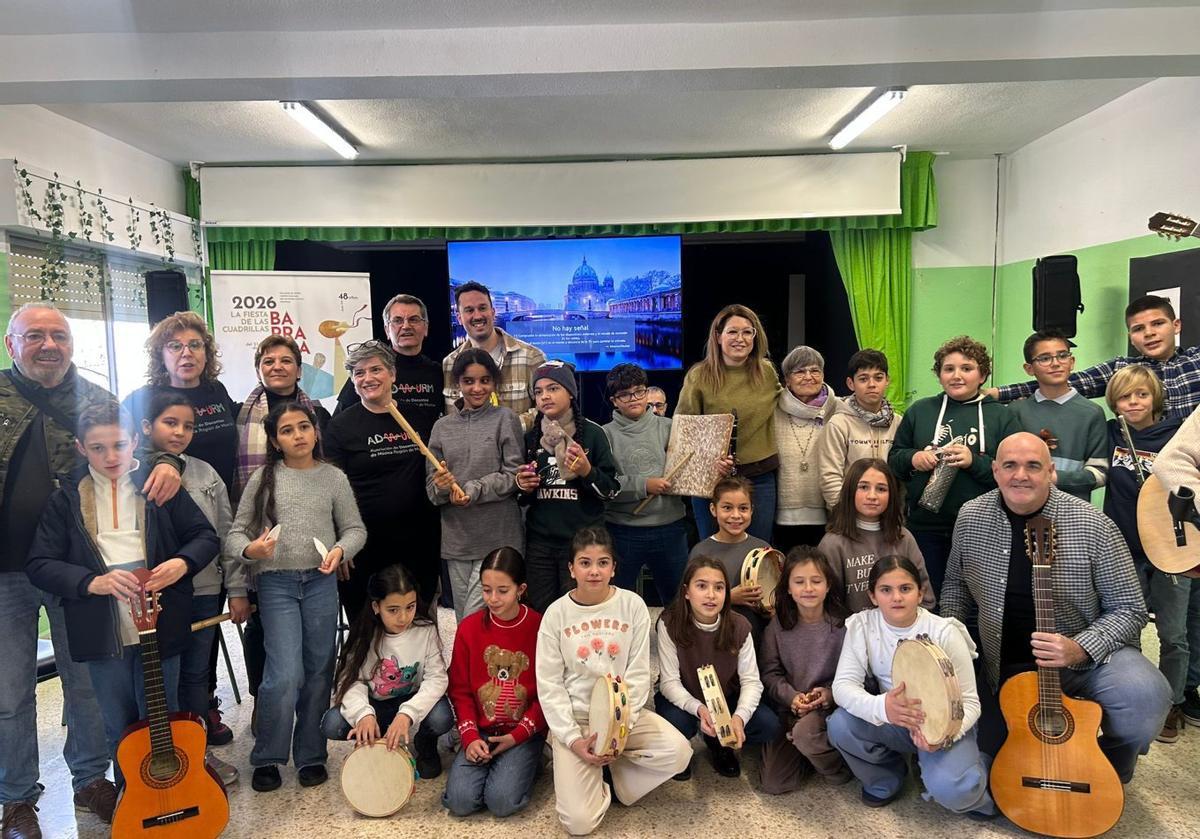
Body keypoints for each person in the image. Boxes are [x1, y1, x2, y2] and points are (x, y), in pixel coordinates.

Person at [2, 302, 182, 839]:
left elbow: (140, 451)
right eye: (35, 336)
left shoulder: (99, 400)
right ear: (12, 344)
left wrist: (167, 463)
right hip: (6, 572)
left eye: (58, 335)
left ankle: (90, 780)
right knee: (10, 693)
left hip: (83, 571)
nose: (49, 345)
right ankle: (15, 801)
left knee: (85, 685)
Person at [940, 432, 1171, 781]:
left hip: (1083, 666)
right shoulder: (971, 517)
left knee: (1145, 699)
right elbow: (956, 587)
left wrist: (1081, 648)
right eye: (1010, 466)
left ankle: (1108, 766)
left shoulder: (1094, 525)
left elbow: (1130, 608)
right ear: (996, 472)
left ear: (1050, 472)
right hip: (999, 667)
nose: (1021, 475)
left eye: (1033, 466)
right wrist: (948, 644)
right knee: (987, 776)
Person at [25, 401, 218, 791]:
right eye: (98, 448)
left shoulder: (159, 486)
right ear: (80, 447)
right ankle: (134, 800)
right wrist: (91, 583)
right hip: (101, 632)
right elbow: (40, 563)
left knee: (162, 721)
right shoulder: (66, 499)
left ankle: (173, 797)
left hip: (160, 625)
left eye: (118, 445)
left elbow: (205, 537)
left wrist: (181, 564)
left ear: (135, 441)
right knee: (119, 726)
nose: (110, 456)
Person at [226, 402, 367, 792]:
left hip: (321, 583)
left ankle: (310, 755)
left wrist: (341, 550)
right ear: (275, 440)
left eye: (304, 427)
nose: (298, 435)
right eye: (287, 430)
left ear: (316, 431)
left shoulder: (333, 478)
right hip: (276, 584)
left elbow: (355, 529)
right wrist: (251, 551)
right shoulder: (263, 478)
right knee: (284, 673)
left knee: (320, 669)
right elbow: (236, 535)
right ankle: (269, 755)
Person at [535, 528, 691, 836]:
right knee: (579, 824)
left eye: (603, 562)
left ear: (614, 568)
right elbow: (549, 685)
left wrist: (617, 733)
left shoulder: (632, 606)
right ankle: (583, 769)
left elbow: (637, 674)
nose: (594, 571)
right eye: (585, 562)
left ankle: (617, 781)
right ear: (571, 568)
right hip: (577, 722)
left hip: (623, 717)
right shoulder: (555, 614)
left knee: (679, 753)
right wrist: (572, 739)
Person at [829, 557, 995, 817]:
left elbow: (971, 702)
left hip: (944, 724)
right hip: (895, 719)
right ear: (873, 596)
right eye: (886, 590)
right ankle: (887, 777)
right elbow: (842, 686)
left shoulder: (944, 632)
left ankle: (975, 769)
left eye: (905, 588)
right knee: (839, 724)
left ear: (921, 593)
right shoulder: (862, 626)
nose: (897, 597)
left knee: (955, 793)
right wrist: (883, 707)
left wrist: (942, 737)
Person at [140, 392, 246, 786]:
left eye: (187, 426)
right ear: (147, 427)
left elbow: (226, 535)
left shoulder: (206, 474)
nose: (180, 432)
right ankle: (162, 764)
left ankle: (198, 756)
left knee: (197, 676)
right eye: (170, 423)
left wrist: (235, 590)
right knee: (161, 681)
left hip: (204, 591)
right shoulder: (132, 470)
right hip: (154, 598)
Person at [888, 335, 1018, 599]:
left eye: (967, 368)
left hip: (983, 528)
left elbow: (1014, 472)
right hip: (926, 528)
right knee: (929, 597)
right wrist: (914, 458)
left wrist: (974, 462)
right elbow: (894, 461)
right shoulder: (920, 410)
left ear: (982, 375)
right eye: (949, 369)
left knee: (978, 599)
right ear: (939, 375)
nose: (957, 376)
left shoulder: (1001, 415)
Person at [1102, 366, 1191, 742]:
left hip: (1171, 546)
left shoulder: (1178, 435)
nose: (1133, 403)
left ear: (1154, 396)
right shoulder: (1111, 434)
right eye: (1125, 397)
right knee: (1128, 627)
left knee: (1173, 633)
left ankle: (1172, 702)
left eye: (1141, 394)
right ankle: (1138, 695)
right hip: (1123, 547)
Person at [325, 340, 441, 615]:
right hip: (365, 545)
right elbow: (332, 490)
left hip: (419, 540)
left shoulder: (421, 419)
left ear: (393, 374)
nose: (368, 378)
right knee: (367, 627)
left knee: (418, 621)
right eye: (359, 373)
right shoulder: (340, 427)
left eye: (375, 369)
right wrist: (341, 542)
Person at [321, 565, 453, 782]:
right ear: (376, 607)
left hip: (412, 699)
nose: (403, 617)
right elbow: (351, 681)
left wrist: (407, 715)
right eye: (393, 610)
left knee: (442, 717)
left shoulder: (426, 630)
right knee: (332, 724)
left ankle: (425, 743)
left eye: (410, 607)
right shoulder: (364, 635)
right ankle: (378, 739)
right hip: (377, 704)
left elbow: (437, 679)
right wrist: (364, 715)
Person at [655, 556, 779, 779]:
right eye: (701, 586)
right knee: (676, 723)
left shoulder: (739, 625)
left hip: (725, 695)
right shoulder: (669, 622)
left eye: (719, 588)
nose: (711, 595)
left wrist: (738, 717)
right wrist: (700, 709)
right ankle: (680, 750)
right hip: (686, 696)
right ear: (686, 591)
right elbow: (669, 682)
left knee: (767, 724)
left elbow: (751, 681)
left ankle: (719, 743)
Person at [444, 548, 546, 818]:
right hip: (481, 731)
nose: (492, 599)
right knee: (460, 802)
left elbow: (549, 692)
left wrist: (518, 736)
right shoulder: (469, 628)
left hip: (522, 733)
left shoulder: (540, 627)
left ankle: (533, 761)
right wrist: (469, 736)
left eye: (502, 590)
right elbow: (460, 690)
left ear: (520, 589)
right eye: (487, 590)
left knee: (501, 803)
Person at [426, 349, 524, 622]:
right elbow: (432, 492)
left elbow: (513, 475)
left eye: (484, 380)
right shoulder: (441, 427)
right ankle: (468, 666)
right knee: (464, 620)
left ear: (494, 382)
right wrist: (443, 486)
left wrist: (473, 489)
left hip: (498, 536)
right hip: (457, 539)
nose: (477, 388)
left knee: (479, 616)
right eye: (469, 381)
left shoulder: (506, 419)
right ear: (458, 383)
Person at [990, 295, 1200, 420]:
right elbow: (1057, 381)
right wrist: (992, 393)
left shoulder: (1196, 360)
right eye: (1138, 328)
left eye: (1157, 323)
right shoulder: (1123, 369)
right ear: (1131, 338)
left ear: (1176, 326)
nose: (1149, 333)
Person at [516, 361, 619, 613]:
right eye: (538, 392)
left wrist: (587, 471)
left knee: (579, 613)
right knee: (542, 613)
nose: (545, 396)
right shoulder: (530, 438)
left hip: (582, 544)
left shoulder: (593, 434)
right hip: (540, 544)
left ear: (570, 392)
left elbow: (611, 490)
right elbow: (522, 498)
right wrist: (522, 485)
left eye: (553, 388)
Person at [677, 304, 782, 542]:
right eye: (732, 332)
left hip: (760, 478)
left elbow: (790, 404)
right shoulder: (699, 376)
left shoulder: (766, 372)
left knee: (758, 554)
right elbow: (684, 433)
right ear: (718, 336)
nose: (740, 339)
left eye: (747, 332)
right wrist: (710, 461)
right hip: (712, 481)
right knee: (716, 557)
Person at [759, 548, 851, 792]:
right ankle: (807, 751)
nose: (808, 588)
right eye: (799, 582)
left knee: (806, 734)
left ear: (828, 585)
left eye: (816, 581)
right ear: (788, 587)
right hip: (789, 708)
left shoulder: (844, 627)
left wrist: (829, 694)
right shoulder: (777, 626)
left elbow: (860, 678)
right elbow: (769, 673)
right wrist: (791, 697)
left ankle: (832, 765)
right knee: (774, 784)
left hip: (827, 710)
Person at [602, 363, 689, 606]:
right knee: (617, 602)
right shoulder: (604, 435)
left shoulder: (670, 427)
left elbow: (689, 471)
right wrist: (644, 485)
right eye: (625, 394)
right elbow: (604, 484)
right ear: (614, 400)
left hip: (670, 527)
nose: (634, 399)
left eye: (639, 391)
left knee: (679, 603)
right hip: (623, 530)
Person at [123, 310, 238, 492]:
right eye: (175, 346)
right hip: (169, 504)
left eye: (195, 345)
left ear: (206, 353)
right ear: (160, 355)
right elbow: (118, 449)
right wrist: (163, 460)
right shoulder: (140, 400)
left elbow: (241, 417)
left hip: (222, 500)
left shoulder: (216, 390)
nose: (187, 353)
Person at [819, 458, 935, 613]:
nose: (872, 496)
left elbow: (926, 599)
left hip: (904, 631)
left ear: (891, 495)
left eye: (881, 489)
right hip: (852, 633)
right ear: (850, 491)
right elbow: (828, 608)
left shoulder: (904, 537)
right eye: (864, 487)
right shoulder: (832, 544)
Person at [1005, 330, 1108, 501]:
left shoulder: (1091, 412)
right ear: (1029, 369)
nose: (1056, 363)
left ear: (1072, 361)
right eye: (1045, 358)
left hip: (1073, 510)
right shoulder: (1016, 411)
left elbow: (1100, 473)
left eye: (1062, 356)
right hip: (1022, 506)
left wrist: (1053, 478)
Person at [235, 334, 331, 501]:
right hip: (258, 510)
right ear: (258, 372)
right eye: (269, 362)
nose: (277, 367)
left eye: (286, 361)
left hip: (311, 503)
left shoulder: (319, 415)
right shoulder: (239, 414)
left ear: (299, 371)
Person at [1151, 404, 1200, 731]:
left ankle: (1178, 696)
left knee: (1182, 627)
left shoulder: (1168, 426)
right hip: (1139, 542)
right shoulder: (1113, 432)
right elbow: (1172, 461)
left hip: (1179, 547)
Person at [443, 282, 547, 431]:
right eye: (469, 310)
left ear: (493, 312)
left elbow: (546, 410)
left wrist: (507, 428)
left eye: (482, 308)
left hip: (519, 452)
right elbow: (451, 419)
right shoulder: (449, 364)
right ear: (459, 318)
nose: (477, 315)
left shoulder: (532, 357)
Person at [774, 345, 848, 549]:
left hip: (828, 514)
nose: (809, 376)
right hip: (781, 517)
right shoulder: (772, 410)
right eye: (799, 371)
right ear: (787, 379)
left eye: (815, 370)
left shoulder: (839, 409)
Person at [334, 292, 444, 425]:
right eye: (397, 320)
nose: (406, 326)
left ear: (425, 328)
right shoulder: (368, 372)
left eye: (414, 319)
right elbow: (339, 422)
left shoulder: (438, 372)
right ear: (387, 330)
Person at [688, 476, 772, 644]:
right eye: (727, 508)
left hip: (756, 638)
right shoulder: (701, 551)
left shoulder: (763, 548)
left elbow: (772, 599)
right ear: (713, 509)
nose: (736, 515)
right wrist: (730, 597)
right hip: (713, 640)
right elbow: (689, 602)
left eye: (743, 508)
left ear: (752, 510)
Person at [816, 349, 902, 510]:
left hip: (887, 514)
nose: (872, 384)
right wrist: (845, 513)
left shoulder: (898, 422)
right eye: (863, 379)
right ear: (851, 384)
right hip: (848, 515)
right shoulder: (838, 424)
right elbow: (830, 477)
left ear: (887, 381)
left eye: (878, 378)